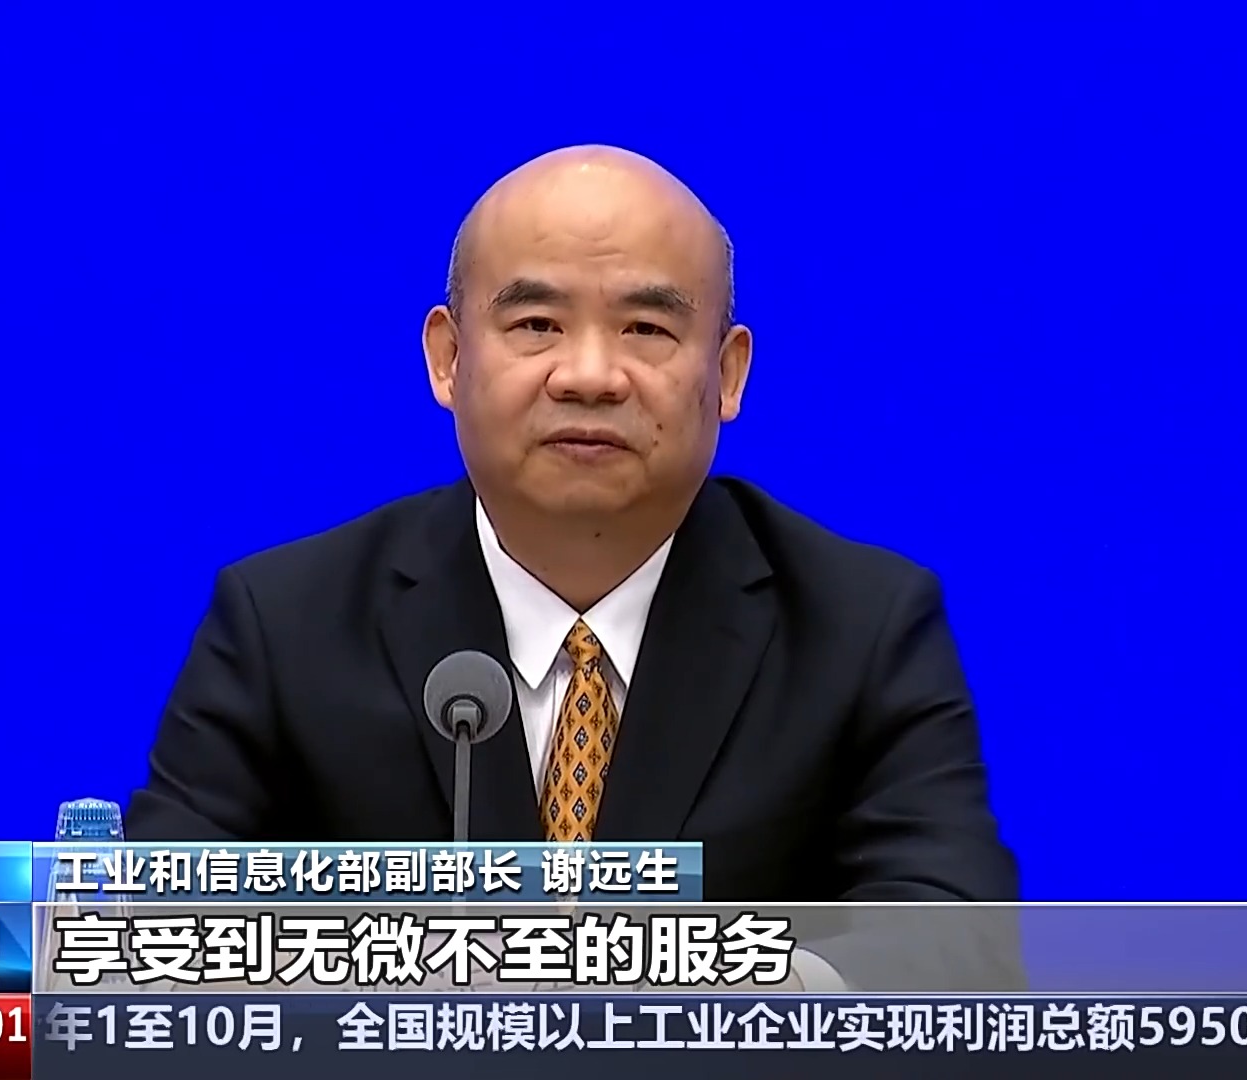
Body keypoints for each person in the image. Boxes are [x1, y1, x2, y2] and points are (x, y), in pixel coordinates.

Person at [126, 145, 1020, 989]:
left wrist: (701, 999)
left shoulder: (860, 626)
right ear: (447, 359)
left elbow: (953, 944)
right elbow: (150, 945)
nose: (590, 375)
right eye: (537, 324)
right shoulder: (286, 623)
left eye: (646, 328)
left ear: (728, 374)